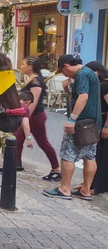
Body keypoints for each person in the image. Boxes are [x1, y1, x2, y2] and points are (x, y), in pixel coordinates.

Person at [44, 55, 101, 200]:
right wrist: (67, 89)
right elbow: (77, 98)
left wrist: (72, 119)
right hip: (93, 122)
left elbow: (83, 97)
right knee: (90, 156)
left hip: (80, 122)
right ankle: (86, 190)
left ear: (66, 66)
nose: (64, 74)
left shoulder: (81, 75)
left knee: (68, 154)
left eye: (63, 71)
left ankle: (64, 189)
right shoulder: (89, 73)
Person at [2, 56, 61, 180]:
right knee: (17, 139)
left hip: (35, 117)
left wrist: (24, 117)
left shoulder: (36, 82)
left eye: (24, 64)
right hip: (29, 116)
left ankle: (56, 169)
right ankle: (14, 165)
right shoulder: (32, 79)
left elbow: (33, 102)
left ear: (31, 67)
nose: (21, 66)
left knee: (42, 142)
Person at [0, 90, 33, 184]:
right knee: (8, 157)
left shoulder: (6, 104)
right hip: (10, 136)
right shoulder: (25, 109)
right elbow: (26, 125)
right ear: (28, 102)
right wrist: (28, 139)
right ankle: (5, 181)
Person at [78, 61, 108, 195]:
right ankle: (90, 183)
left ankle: (98, 185)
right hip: (97, 122)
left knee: (101, 156)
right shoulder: (98, 85)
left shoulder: (105, 86)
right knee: (96, 154)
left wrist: (106, 126)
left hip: (103, 123)